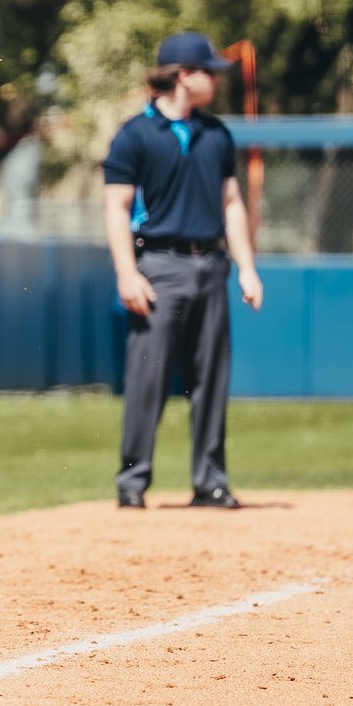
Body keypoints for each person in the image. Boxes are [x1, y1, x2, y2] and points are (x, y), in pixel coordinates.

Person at [103, 31, 264, 510]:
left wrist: (247, 268)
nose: (215, 79)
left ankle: (210, 482)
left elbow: (232, 204)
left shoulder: (216, 133)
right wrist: (127, 274)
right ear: (180, 76)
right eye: (207, 71)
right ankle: (133, 483)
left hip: (210, 265)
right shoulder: (135, 134)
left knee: (211, 378)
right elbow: (117, 209)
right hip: (158, 265)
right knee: (147, 379)